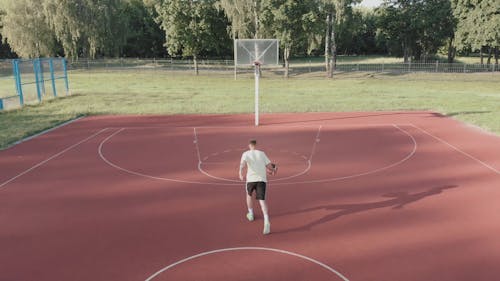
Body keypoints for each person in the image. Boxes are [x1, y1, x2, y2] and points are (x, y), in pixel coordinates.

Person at [239, 139, 277, 235]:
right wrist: (274, 169)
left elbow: (242, 164)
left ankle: (251, 214)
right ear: (256, 145)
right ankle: (266, 220)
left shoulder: (245, 154)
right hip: (261, 180)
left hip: (251, 180)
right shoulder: (262, 154)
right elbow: (269, 167)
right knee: (262, 201)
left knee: (248, 196)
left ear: (249, 145)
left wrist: (240, 172)